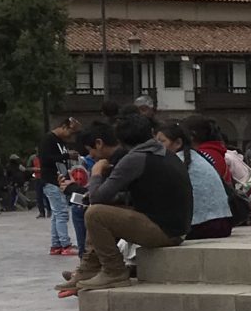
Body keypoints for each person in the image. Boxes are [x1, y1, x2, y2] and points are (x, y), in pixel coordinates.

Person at [72, 110, 191, 292]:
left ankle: (114, 271)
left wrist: (96, 173)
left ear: (121, 141)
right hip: (177, 226)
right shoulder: (162, 152)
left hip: (164, 231)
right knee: (106, 209)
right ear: (150, 133)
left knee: (95, 214)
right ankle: (88, 269)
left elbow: (97, 198)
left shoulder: (135, 158)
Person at [161, 121, 234, 240]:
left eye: (161, 141)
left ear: (178, 143)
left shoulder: (174, 162)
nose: (157, 146)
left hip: (201, 225)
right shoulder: (199, 157)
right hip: (223, 223)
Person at [36, 116, 80, 255]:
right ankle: (65, 244)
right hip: (51, 180)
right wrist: (66, 156)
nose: (71, 136)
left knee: (57, 213)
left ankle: (56, 244)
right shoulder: (48, 140)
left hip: (59, 179)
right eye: (71, 132)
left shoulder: (60, 141)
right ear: (64, 127)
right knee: (61, 213)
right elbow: (46, 159)